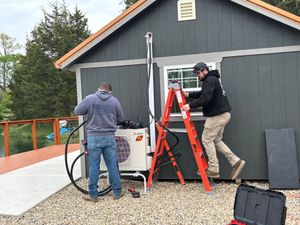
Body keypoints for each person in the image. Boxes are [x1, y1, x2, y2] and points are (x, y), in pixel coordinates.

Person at [182, 62, 245, 179]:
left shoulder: (209, 80)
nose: (197, 76)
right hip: (223, 115)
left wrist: (189, 106)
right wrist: (189, 94)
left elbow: (205, 98)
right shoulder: (212, 80)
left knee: (206, 139)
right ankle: (235, 161)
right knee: (216, 140)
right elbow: (203, 94)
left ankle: (213, 168)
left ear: (205, 70)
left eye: (198, 73)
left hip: (217, 116)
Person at [74, 82, 124, 202]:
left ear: (99, 89)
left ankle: (93, 195)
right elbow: (121, 119)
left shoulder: (90, 99)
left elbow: (77, 111)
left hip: (94, 137)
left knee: (94, 167)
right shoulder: (115, 101)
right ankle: (117, 193)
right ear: (109, 91)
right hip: (109, 137)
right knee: (112, 165)